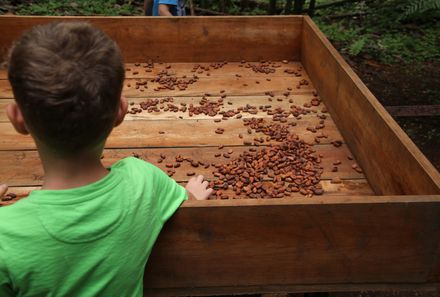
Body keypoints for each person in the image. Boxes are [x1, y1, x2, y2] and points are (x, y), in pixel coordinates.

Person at [0, 22, 212, 296]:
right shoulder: (143, 181)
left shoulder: (6, 236)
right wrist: (191, 196)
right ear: (120, 112)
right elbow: (183, 202)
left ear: (17, 119)